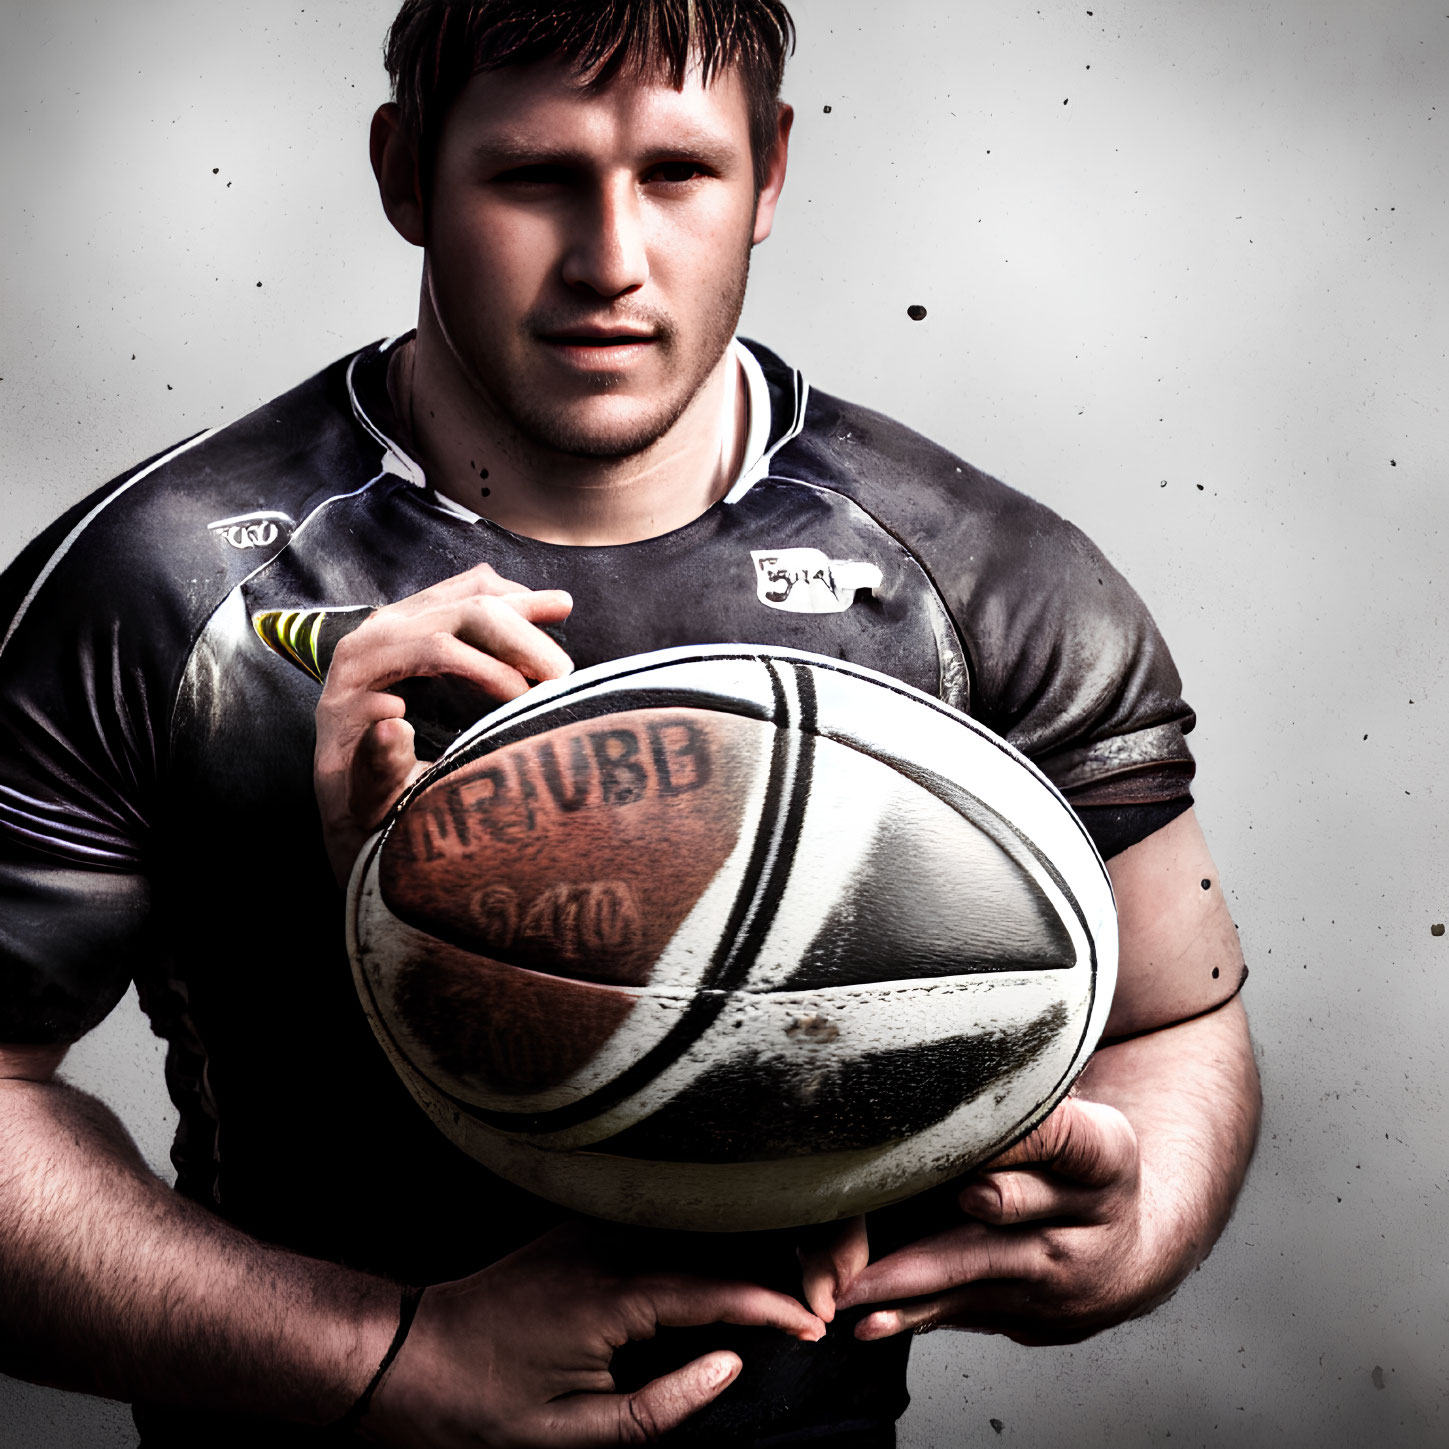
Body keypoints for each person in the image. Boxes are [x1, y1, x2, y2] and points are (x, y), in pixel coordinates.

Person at [0, 1, 1260, 1445]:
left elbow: (1180, 1017)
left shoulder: (979, 582)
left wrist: (1139, 1209)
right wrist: (384, 1354)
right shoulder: (164, 587)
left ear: (770, 172)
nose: (610, 260)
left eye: (676, 175)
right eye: (533, 177)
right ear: (405, 173)